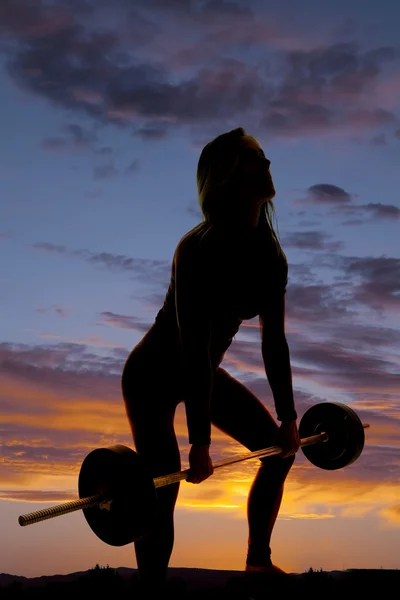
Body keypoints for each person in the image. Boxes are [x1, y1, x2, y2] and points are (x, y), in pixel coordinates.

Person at [121, 127, 301, 594]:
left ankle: (257, 562)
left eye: (264, 155)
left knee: (278, 453)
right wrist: (199, 444)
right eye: (254, 158)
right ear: (229, 176)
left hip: (201, 371)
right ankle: (152, 590)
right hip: (154, 376)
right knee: (163, 487)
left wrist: (288, 418)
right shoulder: (196, 250)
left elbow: (274, 344)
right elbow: (192, 349)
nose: (267, 164)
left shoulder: (271, 258)